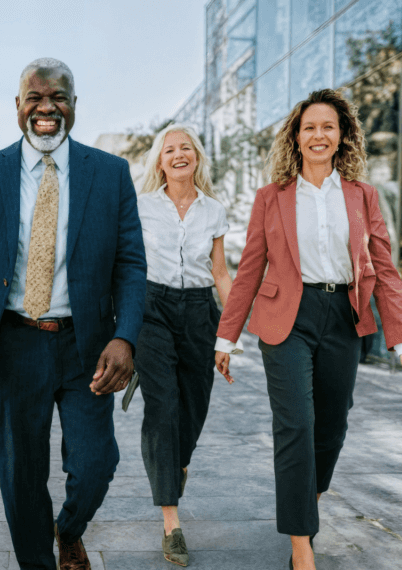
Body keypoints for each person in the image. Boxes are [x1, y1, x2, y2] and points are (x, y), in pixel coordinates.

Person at [0, 58, 146, 570]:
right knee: (19, 474)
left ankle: (69, 528)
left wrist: (126, 337)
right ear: (17, 107)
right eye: (35, 97)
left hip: (88, 346)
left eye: (58, 97)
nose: (46, 107)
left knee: (97, 464)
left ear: (74, 106)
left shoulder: (111, 173)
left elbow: (132, 264)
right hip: (13, 345)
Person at [214, 89, 402, 570]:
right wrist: (226, 338)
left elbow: (386, 271)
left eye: (327, 126)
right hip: (287, 318)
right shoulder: (272, 198)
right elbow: (248, 270)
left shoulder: (362, 196)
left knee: (332, 426)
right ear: (296, 136)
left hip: (343, 316)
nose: (318, 135)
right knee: (296, 427)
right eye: (309, 127)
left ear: (342, 136)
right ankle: (301, 545)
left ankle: (307, 495)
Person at [133, 124, 239, 567]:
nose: (178, 155)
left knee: (194, 407)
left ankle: (173, 467)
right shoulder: (140, 207)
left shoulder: (213, 210)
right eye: (169, 150)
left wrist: (230, 336)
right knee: (163, 407)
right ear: (159, 161)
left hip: (199, 312)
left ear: (196, 156)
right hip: (151, 308)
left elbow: (220, 273)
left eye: (185, 148)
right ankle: (171, 522)